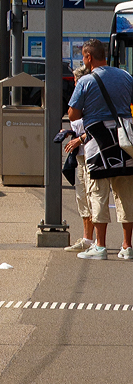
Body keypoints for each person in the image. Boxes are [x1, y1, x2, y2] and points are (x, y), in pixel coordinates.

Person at [67, 38, 133, 259]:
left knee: (98, 194)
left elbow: (73, 114)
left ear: (88, 57)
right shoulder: (125, 76)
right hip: (125, 142)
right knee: (126, 195)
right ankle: (127, 246)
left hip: (98, 145)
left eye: (83, 57)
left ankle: (101, 246)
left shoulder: (86, 81)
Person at [63, 58, 95, 253]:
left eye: (77, 82)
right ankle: (87, 238)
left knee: (92, 196)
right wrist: (70, 133)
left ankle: (95, 240)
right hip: (80, 156)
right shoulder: (77, 103)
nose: (75, 85)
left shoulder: (92, 102)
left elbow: (95, 127)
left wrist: (80, 139)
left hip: (92, 154)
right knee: (81, 196)